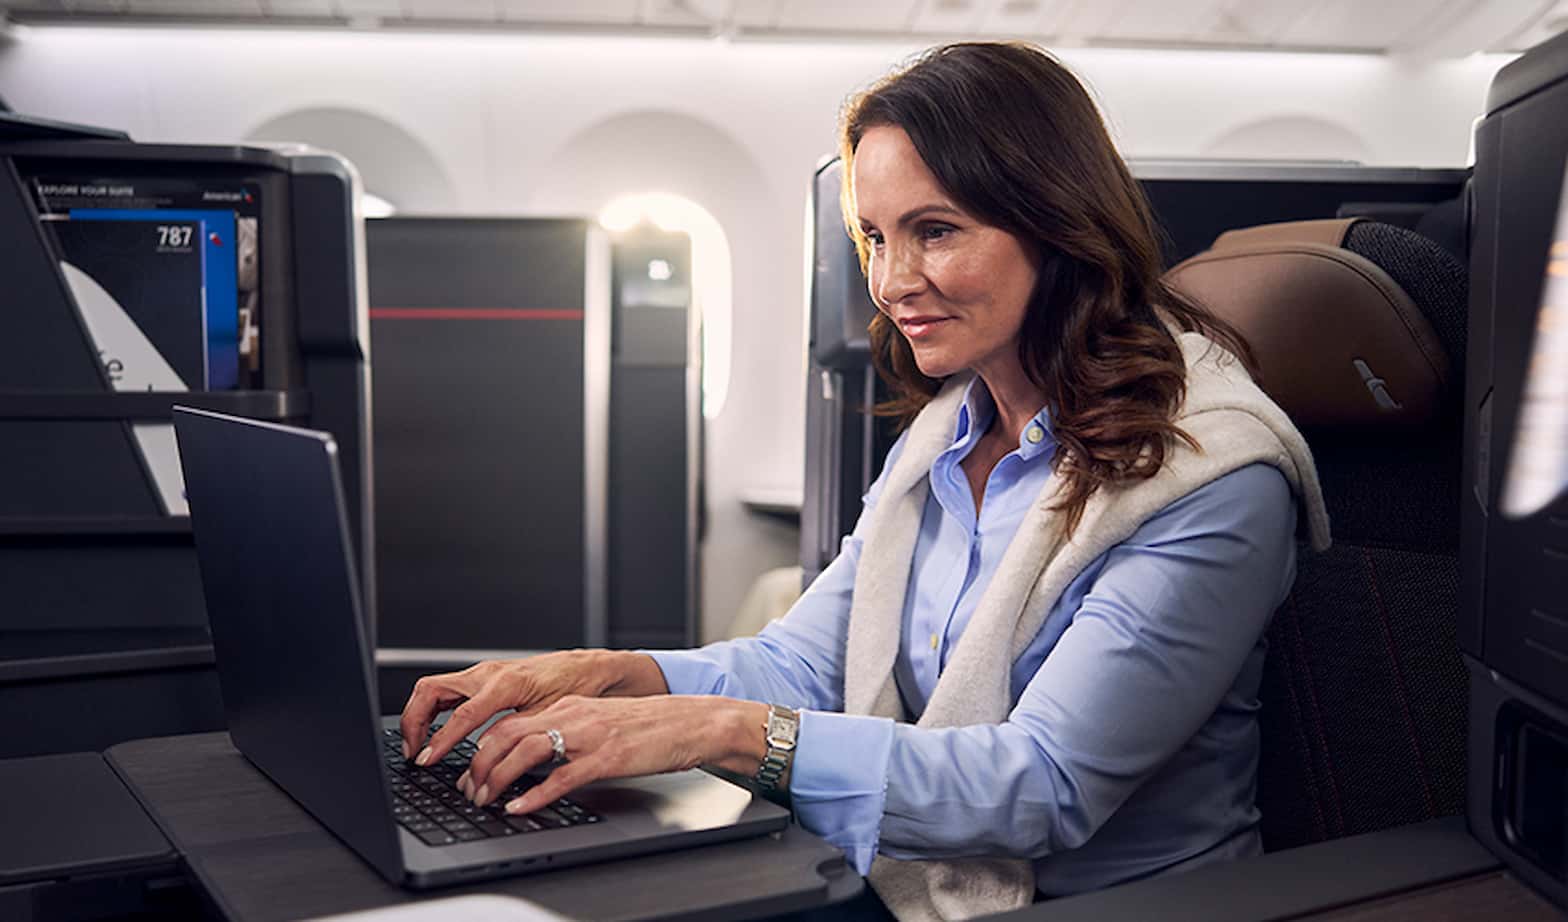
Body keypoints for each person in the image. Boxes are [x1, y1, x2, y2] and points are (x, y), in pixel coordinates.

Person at [399, 41, 1329, 922]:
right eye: (876, 237)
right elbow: (808, 662)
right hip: (915, 881)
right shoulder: (946, 430)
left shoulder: (1210, 474)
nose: (892, 280)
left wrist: (718, 732)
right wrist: (612, 677)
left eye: (935, 232)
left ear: (1059, 225)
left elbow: (1042, 785)